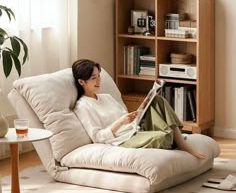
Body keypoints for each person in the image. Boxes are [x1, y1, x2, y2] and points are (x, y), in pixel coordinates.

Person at [72, 59, 206, 159]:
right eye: (93, 78)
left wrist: (140, 112)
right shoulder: (83, 106)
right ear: (81, 82)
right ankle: (171, 136)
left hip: (136, 128)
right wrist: (120, 123)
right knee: (164, 137)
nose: (99, 81)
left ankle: (181, 144)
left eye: (99, 76)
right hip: (123, 139)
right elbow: (97, 137)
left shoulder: (106, 97)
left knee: (157, 99)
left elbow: (126, 116)